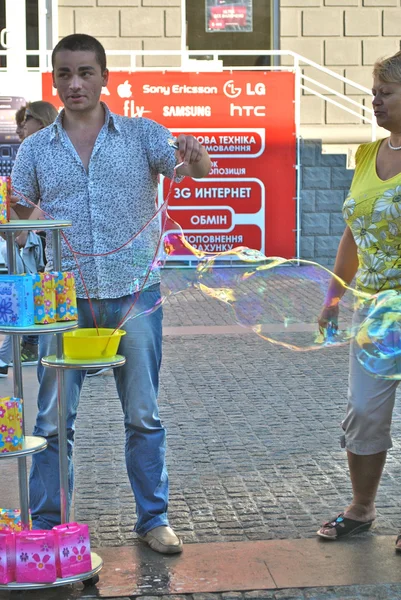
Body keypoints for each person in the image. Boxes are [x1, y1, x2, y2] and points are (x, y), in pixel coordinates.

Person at [11, 33, 211, 554]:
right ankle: (50, 525)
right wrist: (21, 218)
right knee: (53, 422)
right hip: (64, 302)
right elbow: (18, 218)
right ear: (52, 80)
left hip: (135, 295)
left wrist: (197, 153)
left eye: (85, 73)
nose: (74, 84)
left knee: (143, 415)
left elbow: (195, 170)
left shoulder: (143, 135)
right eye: (64, 75)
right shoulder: (34, 148)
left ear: (105, 77)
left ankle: (154, 519)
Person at [316, 50, 401, 549]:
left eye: (386, 93)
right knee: (365, 411)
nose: (376, 102)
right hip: (374, 309)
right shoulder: (368, 156)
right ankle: (362, 508)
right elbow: (354, 232)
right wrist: (333, 297)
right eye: (375, 93)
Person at [0, 102, 58, 375]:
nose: (21, 126)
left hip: (44, 239)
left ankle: (21, 349)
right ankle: (20, 348)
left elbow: (43, 198)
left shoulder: (51, 152)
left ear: (42, 122)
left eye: (27, 120)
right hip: (30, 236)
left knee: (33, 291)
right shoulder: (29, 152)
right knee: (26, 292)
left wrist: (23, 231)